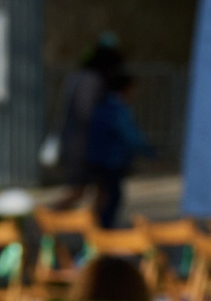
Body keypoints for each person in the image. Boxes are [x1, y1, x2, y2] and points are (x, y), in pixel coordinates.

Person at [50, 36, 123, 204]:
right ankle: (44, 216)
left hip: (77, 140)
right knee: (80, 190)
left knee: (98, 191)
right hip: (84, 144)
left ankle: (94, 221)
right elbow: (86, 111)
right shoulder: (92, 80)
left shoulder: (77, 77)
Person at [82, 68, 150, 228]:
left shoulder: (102, 105)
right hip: (110, 160)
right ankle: (103, 233)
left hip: (97, 157)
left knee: (102, 196)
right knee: (111, 197)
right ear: (126, 88)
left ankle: (95, 231)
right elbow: (130, 136)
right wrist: (149, 152)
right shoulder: (117, 109)